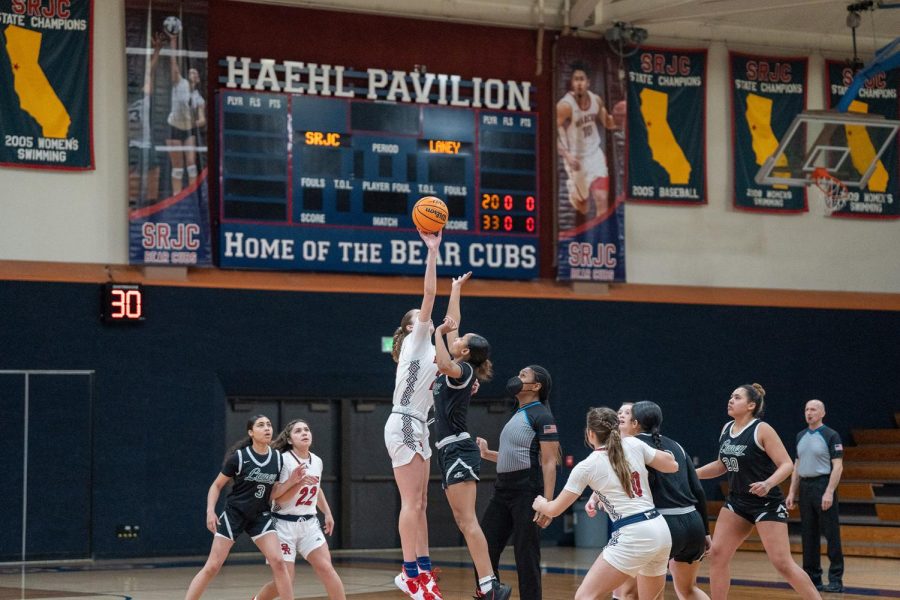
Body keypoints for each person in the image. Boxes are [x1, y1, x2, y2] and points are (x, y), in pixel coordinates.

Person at [533, 407, 678, 600]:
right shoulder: (634, 444)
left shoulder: (587, 465)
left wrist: (540, 503)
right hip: (660, 530)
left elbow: (555, 509)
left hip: (634, 534)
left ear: (590, 433)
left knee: (585, 596)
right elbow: (672, 465)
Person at [696, 384, 821, 600]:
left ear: (751, 405)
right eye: (730, 396)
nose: (730, 400)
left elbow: (786, 464)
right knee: (717, 555)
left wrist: (768, 483)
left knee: (782, 564)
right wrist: (691, 474)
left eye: (737, 397)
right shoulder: (727, 428)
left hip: (766, 502)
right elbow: (721, 465)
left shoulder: (761, 429)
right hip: (737, 502)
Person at [432, 301, 509, 600]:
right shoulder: (463, 362)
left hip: (460, 450)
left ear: (465, 352)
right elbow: (455, 322)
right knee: (463, 522)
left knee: (468, 520)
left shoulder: (462, 369)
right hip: (448, 451)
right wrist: (455, 289)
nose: (457, 337)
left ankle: (490, 585)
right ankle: (488, 585)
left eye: (461, 340)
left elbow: (441, 361)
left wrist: (438, 333)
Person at [385, 229, 444, 600]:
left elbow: (452, 335)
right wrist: (433, 251)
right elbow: (429, 294)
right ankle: (409, 575)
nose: (428, 318)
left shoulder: (430, 351)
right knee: (412, 502)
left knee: (421, 503)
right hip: (404, 420)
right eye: (421, 318)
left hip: (418, 425)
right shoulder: (416, 337)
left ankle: (423, 570)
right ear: (411, 327)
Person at [184, 415, 295, 600]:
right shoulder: (239, 458)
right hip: (235, 514)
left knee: (278, 562)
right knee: (212, 566)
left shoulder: (277, 458)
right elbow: (216, 485)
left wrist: (292, 482)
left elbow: (272, 493)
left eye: (269, 424)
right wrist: (210, 511)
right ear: (251, 432)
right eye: (261, 425)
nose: (267, 428)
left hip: (260, 515)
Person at [475, 365, 560, 600]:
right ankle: (491, 594)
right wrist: (488, 453)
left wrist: (548, 503)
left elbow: (549, 461)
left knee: (526, 555)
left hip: (527, 490)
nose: (517, 377)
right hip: (503, 490)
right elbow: (515, 455)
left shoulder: (542, 415)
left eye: (524, 375)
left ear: (536, 386)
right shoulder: (517, 413)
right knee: (484, 546)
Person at [253, 419, 345, 600]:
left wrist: (327, 512)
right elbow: (276, 497)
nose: (304, 433)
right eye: (298, 431)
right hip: (283, 525)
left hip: (309, 524)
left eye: (307, 430)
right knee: (285, 580)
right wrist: (296, 483)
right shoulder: (283, 461)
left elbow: (316, 489)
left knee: (327, 569)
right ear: (289, 439)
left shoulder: (316, 461)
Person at [631, 401, 710, 600]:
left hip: (662, 524)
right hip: (694, 523)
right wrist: (706, 532)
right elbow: (698, 490)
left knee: (645, 595)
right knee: (688, 590)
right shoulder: (677, 446)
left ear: (634, 423)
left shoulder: (633, 447)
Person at [786, 399, 845, 593]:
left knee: (831, 533)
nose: (809, 413)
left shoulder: (831, 435)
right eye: (806, 409)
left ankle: (836, 579)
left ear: (822, 413)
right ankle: (812, 578)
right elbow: (797, 465)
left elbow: (838, 466)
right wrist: (792, 492)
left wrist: (829, 491)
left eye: (813, 409)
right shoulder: (800, 435)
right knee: (808, 534)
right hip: (805, 486)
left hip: (823, 484)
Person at [556, 61, 617, 217]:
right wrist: (567, 156)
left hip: (595, 154)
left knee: (602, 199)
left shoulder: (596, 100)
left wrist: (621, 117)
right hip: (576, 159)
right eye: (576, 79)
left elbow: (608, 123)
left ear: (588, 82)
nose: (579, 83)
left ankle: (599, 238)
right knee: (584, 206)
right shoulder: (565, 106)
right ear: (572, 83)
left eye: (582, 79)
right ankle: (573, 193)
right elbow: (553, 132)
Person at [164, 30, 206, 194]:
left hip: (188, 130)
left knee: (191, 164)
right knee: (177, 167)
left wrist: (195, 123)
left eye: (195, 72)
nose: (192, 72)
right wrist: (173, 41)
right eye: (190, 71)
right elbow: (173, 62)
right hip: (173, 126)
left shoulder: (199, 98)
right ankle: (176, 197)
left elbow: (202, 119)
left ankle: (192, 196)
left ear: (198, 79)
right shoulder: (179, 83)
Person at [128, 31, 165, 209]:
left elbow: (149, 73)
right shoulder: (143, 96)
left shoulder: (128, 101)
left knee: (136, 176)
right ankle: (148, 205)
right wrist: (157, 50)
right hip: (141, 144)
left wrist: (156, 50)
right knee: (152, 174)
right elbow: (150, 72)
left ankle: (134, 205)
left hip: (135, 144)